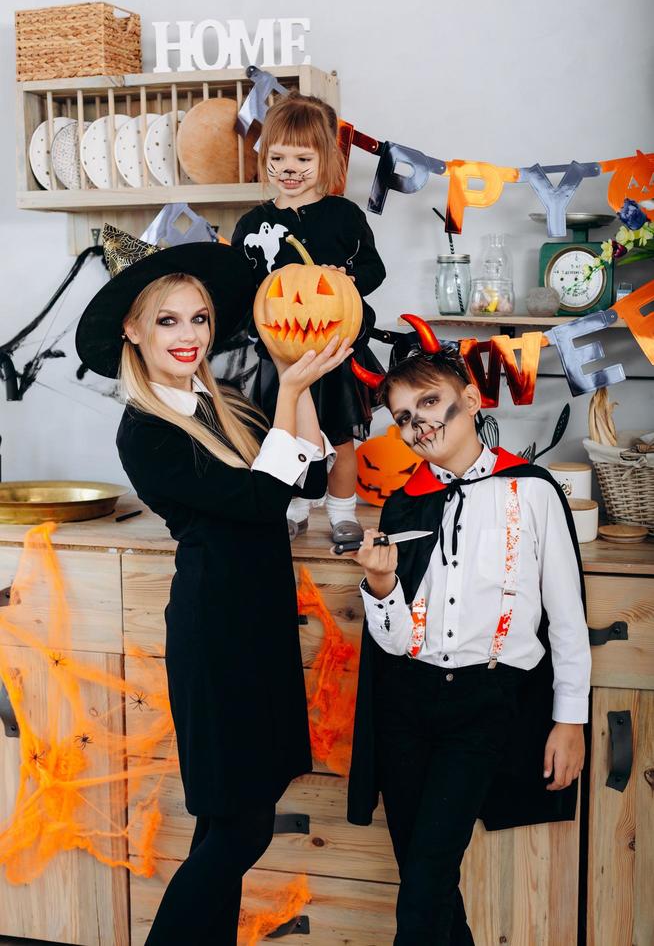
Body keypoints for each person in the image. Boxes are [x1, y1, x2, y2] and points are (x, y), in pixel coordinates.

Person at [75, 224, 352, 945]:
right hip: (216, 630)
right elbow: (263, 501)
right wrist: (290, 386)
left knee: (237, 825)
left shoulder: (223, 404)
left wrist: (302, 377)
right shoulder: (146, 431)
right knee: (235, 827)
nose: (188, 333)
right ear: (133, 332)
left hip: (256, 622)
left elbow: (312, 478)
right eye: (167, 320)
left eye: (198, 318)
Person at [345, 317, 592, 945]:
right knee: (427, 880)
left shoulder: (533, 492)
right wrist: (379, 590)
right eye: (402, 416)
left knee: (426, 876)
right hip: (406, 705)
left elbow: (566, 616)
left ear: (471, 399)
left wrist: (570, 721)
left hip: (484, 708)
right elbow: (395, 641)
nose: (419, 425)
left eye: (429, 402)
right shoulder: (403, 505)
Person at [231, 90, 386, 543]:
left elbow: (375, 268)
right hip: (278, 354)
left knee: (338, 440)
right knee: (281, 435)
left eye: (303, 157)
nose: (289, 169)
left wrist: (347, 277)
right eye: (277, 157)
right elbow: (244, 289)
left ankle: (341, 514)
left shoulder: (344, 216)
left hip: (334, 351)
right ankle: (293, 507)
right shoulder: (252, 225)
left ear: (329, 159)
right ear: (265, 161)